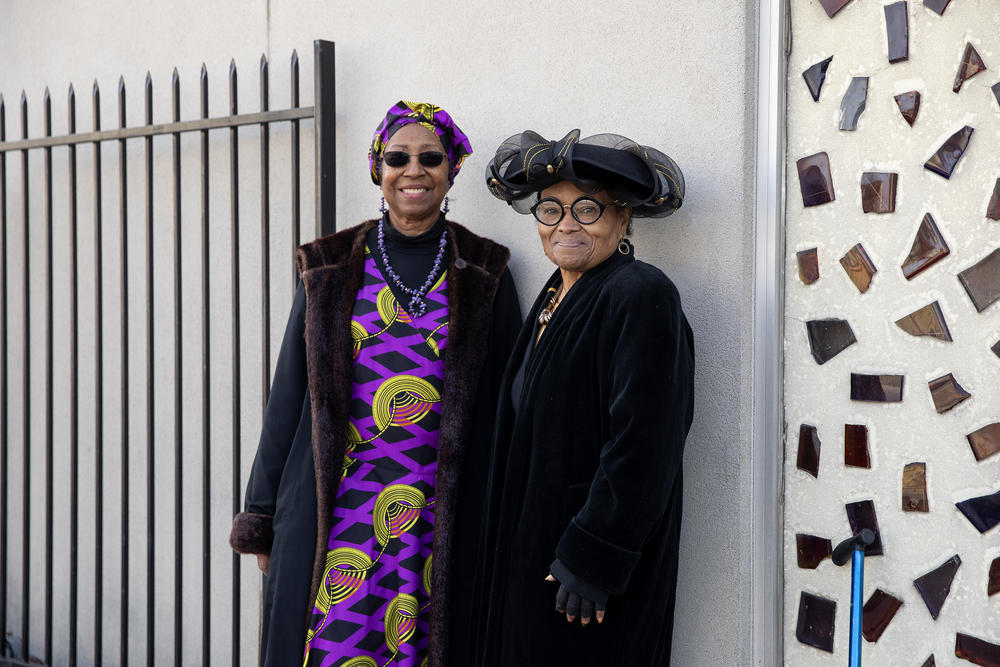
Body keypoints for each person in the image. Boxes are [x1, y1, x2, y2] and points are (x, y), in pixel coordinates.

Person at [229, 100, 521, 667]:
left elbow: (503, 410)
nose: (414, 170)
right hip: (336, 507)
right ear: (377, 170)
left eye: (430, 157)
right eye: (398, 158)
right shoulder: (330, 266)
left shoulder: (485, 271)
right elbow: (288, 397)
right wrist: (261, 516)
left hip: (434, 518)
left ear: (452, 168)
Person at [477, 129, 694, 666]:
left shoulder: (641, 292)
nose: (566, 223)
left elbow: (646, 442)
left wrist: (595, 556)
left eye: (588, 209)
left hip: (586, 575)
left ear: (623, 220)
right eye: (551, 209)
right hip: (536, 554)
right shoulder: (556, 290)